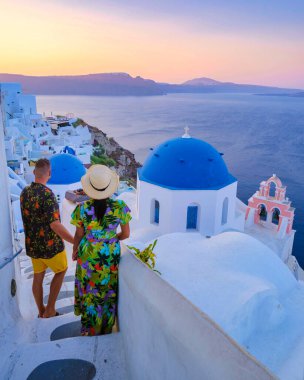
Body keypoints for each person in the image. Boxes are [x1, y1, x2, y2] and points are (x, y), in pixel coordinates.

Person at [71, 164, 131, 336]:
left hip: (87, 252)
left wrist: (75, 250)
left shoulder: (81, 209)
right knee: (106, 290)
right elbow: (126, 234)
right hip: (109, 255)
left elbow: (78, 235)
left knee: (89, 289)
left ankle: (88, 328)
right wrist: (110, 239)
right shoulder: (120, 207)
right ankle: (105, 327)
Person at [20, 158, 74, 318]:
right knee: (61, 270)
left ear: (34, 172)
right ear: (49, 174)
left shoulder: (25, 192)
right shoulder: (47, 195)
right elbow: (55, 225)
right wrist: (74, 240)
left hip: (32, 245)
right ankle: (50, 309)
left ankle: (40, 310)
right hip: (50, 247)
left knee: (38, 276)